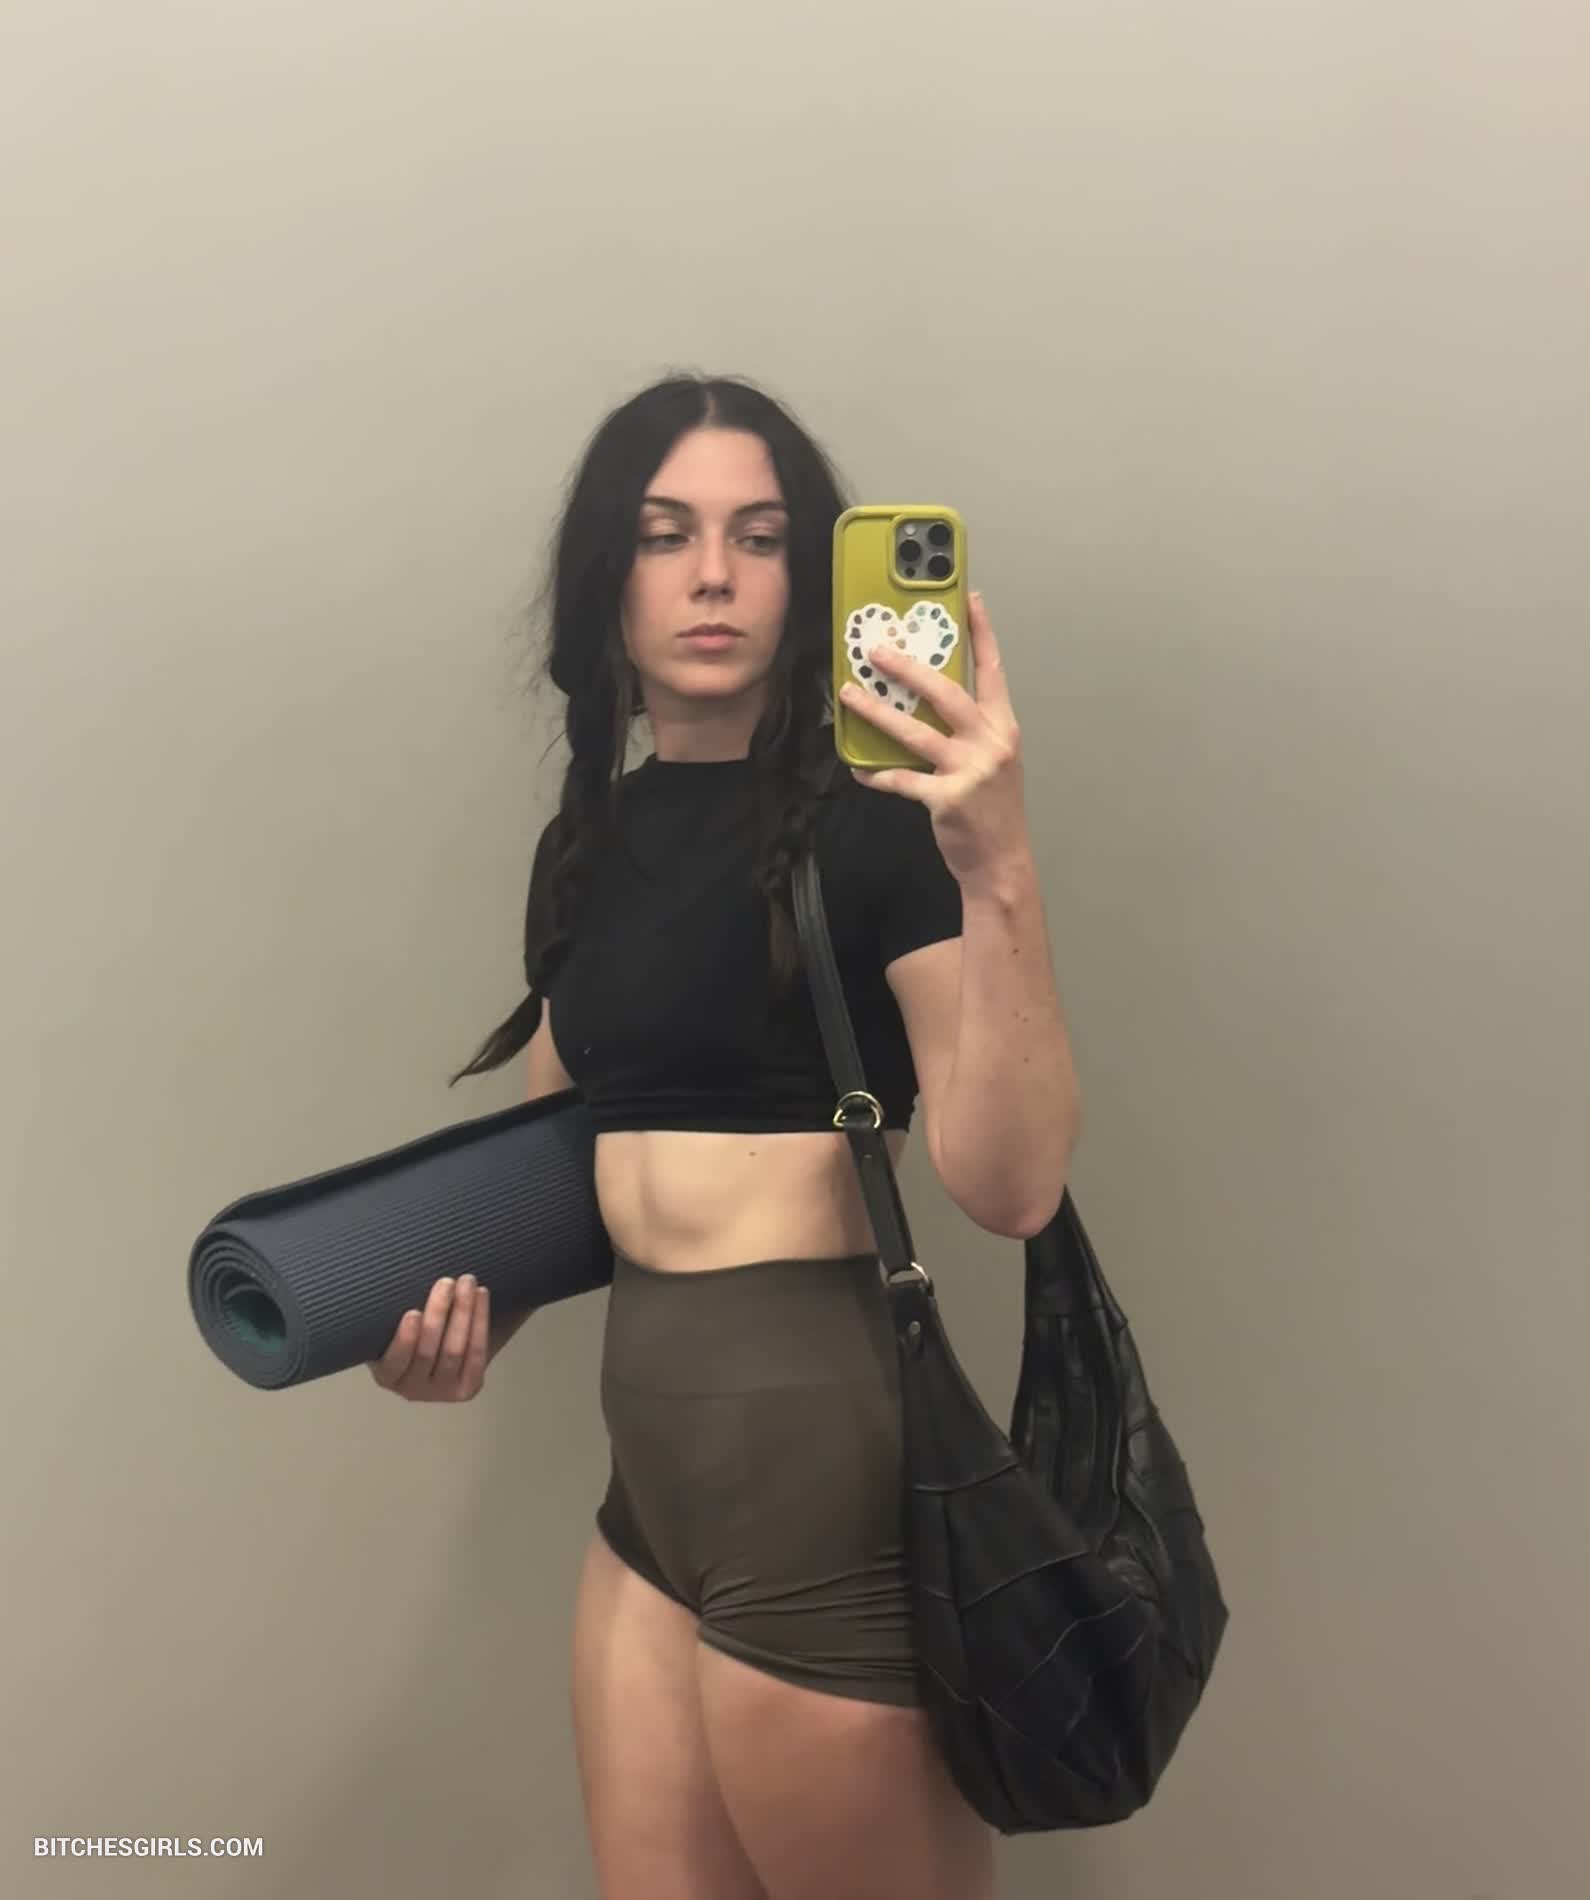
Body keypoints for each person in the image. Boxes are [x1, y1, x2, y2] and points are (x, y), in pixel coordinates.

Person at [368, 374, 1082, 1900]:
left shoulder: (883, 828)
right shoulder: (589, 842)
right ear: (606, 576)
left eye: (758, 538)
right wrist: (449, 1318)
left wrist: (1000, 867)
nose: (710, 576)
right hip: (647, 1499)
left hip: (816, 1476)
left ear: (809, 577)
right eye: (664, 534)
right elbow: (558, 1171)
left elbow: (1011, 1188)